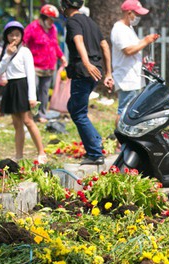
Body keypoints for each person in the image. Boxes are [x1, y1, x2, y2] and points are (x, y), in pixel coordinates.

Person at [62, 0, 114, 166]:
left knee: (78, 112)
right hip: (95, 70)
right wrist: (108, 73)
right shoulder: (90, 21)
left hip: (84, 70)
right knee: (73, 107)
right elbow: (104, 46)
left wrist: (86, 63)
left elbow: (78, 41)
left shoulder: (72, 21)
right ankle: (95, 140)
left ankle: (95, 152)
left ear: (64, 5)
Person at [0, 21, 47, 164]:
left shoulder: (25, 51)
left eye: (17, 35)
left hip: (23, 86)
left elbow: (31, 75)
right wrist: (7, 55)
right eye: (11, 35)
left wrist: (32, 97)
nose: (14, 38)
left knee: (28, 121)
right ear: (6, 36)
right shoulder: (5, 51)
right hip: (11, 87)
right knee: (17, 123)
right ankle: (19, 155)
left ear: (21, 36)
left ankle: (41, 152)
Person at [111, 0, 159, 125]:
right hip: (126, 77)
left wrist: (144, 43)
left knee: (130, 111)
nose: (139, 17)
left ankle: (124, 140)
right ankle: (120, 141)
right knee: (124, 111)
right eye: (136, 14)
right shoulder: (119, 29)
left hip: (133, 76)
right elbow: (128, 50)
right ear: (129, 12)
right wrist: (146, 41)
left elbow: (135, 47)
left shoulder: (129, 28)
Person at [23, 5, 67, 123]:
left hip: (49, 67)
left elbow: (55, 45)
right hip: (35, 66)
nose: (51, 22)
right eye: (50, 19)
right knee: (34, 89)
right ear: (43, 17)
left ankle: (42, 114)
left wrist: (61, 56)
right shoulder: (32, 27)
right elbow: (23, 43)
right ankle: (30, 114)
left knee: (44, 92)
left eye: (53, 20)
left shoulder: (53, 29)